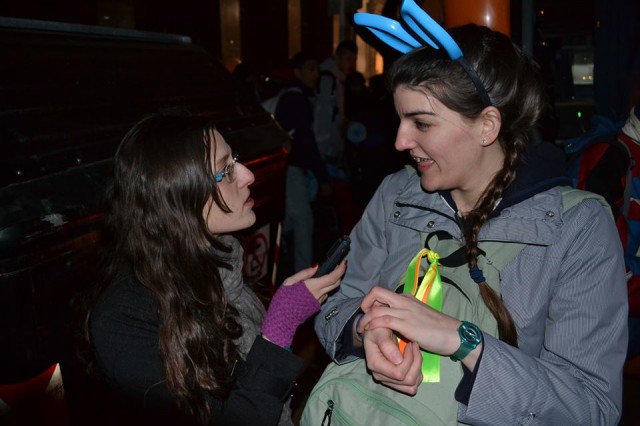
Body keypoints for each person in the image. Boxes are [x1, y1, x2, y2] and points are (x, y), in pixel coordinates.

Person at [313, 20, 628, 425]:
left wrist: (462, 341)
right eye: (400, 120)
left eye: (422, 123)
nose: (400, 141)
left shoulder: (578, 227)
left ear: (487, 126)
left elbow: (591, 408)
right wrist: (364, 330)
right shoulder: (396, 195)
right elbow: (334, 306)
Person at [83, 113, 346, 425]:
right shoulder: (124, 321)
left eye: (235, 159)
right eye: (226, 170)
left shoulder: (219, 266)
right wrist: (280, 327)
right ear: (178, 196)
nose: (248, 175)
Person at [274, 52, 331, 272]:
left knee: (292, 216)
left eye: (316, 68)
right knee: (303, 220)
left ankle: (278, 256)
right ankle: (303, 275)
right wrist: (321, 174)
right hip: (292, 168)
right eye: (310, 68)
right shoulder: (296, 99)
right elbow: (306, 141)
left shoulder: (296, 96)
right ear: (297, 72)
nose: (315, 74)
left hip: (291, 168)